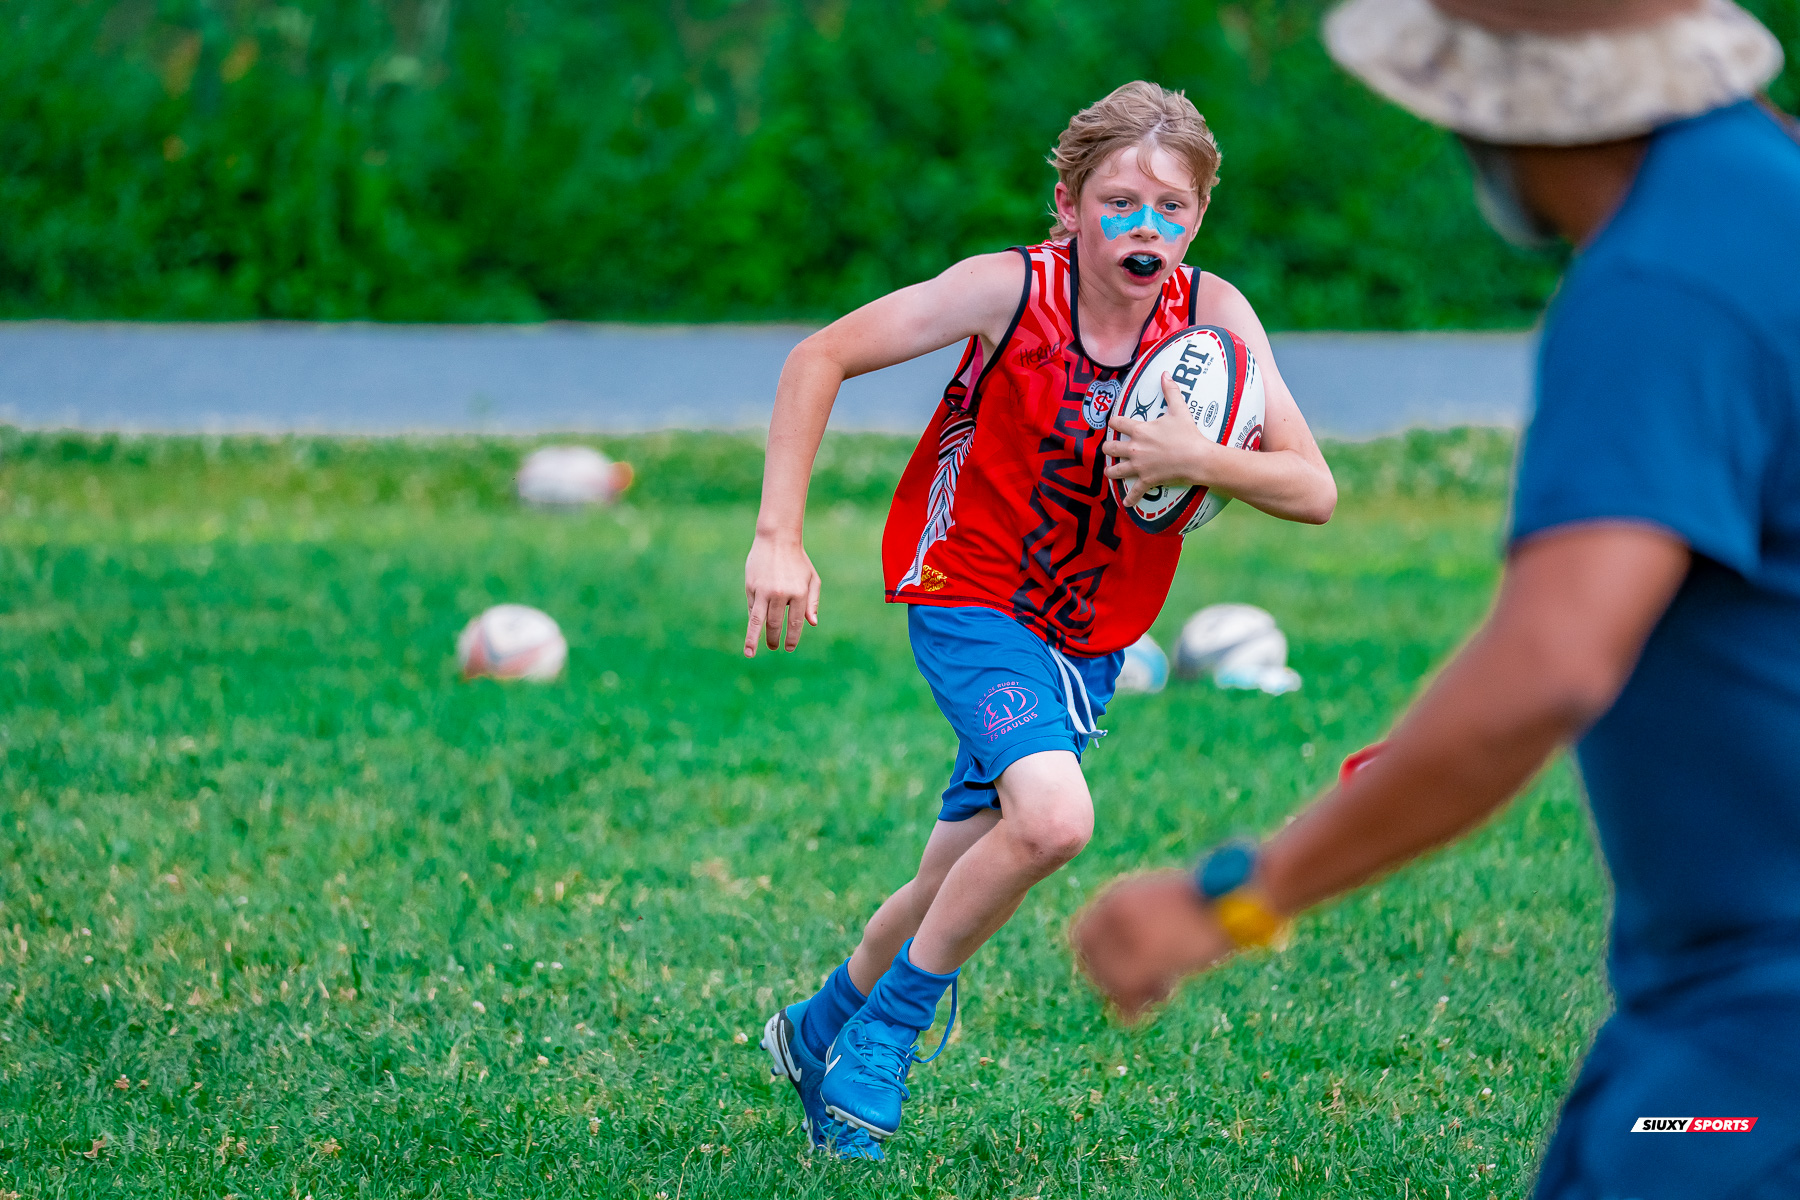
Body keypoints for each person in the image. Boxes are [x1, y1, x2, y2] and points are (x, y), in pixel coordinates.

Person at [1072, 3, 1800, 1197]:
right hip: (1708, 1005)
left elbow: (1553, 661)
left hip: (1758, 1028)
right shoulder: (1768, 193)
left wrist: (1232, 900)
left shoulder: (1661, 284)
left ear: (1502, 111)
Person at [741, 80, 1337, 1159]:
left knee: (951, 875)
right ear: (1068, 204)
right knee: (1056, 820)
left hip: (1089, 638)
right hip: (969, 592)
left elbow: (1313, 488)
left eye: (1171, 209)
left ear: (1198, 217)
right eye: (1118, 203)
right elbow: (815, 356)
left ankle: (816, 1028)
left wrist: (1199, 461)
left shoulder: (1213, 319)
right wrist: (779, 535)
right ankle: (888, 1039)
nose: (1144, 229)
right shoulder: (1008, 290)